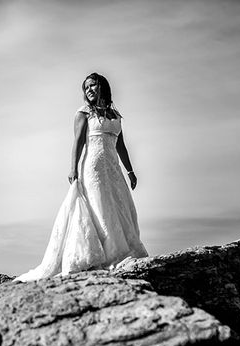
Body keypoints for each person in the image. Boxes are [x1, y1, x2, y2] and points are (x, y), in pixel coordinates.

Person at [14, 72, 149, 282]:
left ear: (102, 86)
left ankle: (125, 251)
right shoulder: (83, 113)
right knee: (100, 206)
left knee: (120, 205)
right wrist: (73, 168)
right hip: (92, 167)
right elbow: (77, 142)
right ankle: (108, 255)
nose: (89, 90)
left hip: (113, 168)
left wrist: (130, 170)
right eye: (86, 88)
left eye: (93, 85)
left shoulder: (114, 114)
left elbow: (121, 145)